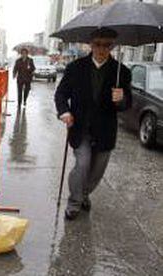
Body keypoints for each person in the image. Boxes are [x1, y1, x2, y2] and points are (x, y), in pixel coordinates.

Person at [54, 27, 132, 220]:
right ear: (91, 44)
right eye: (98, 43)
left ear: (112, 46)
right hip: (80, 128)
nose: (102, 48)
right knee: (82, 164)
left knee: (97, 170)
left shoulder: (121, 71)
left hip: (105, 130)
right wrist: (64, 111)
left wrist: (121, 99)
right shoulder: (75, 67)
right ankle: (74, 202)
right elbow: (61, 93)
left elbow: (127, 103)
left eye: (107, 44)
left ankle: (85, 194)